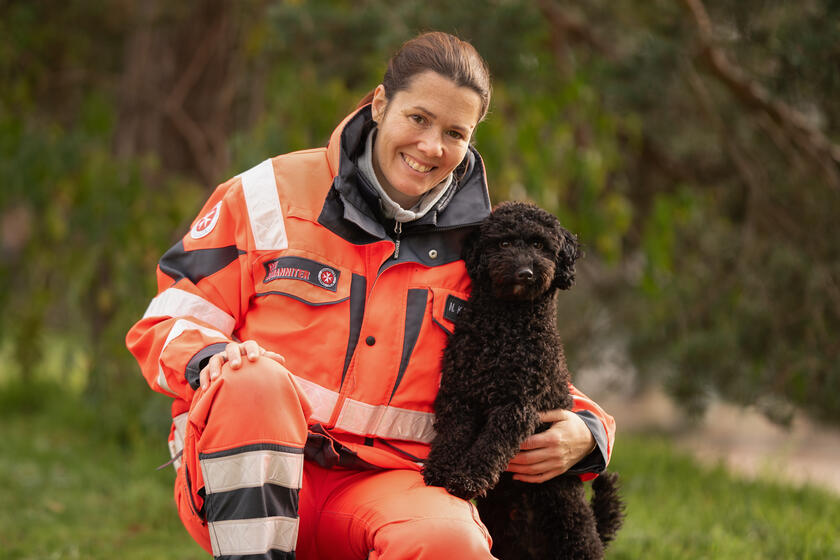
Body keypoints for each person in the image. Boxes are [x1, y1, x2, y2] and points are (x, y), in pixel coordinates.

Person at [126, 31, 615, 560]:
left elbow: (528, 363)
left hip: (384, 487)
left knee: (452, 542)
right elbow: (166, 323)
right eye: (418, 118)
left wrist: (589, 433)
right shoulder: (271, 192)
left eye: (455, 132)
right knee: (252, 380)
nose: (432, 146)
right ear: (380, 104)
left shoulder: (481, 245)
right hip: (251, 477)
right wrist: (216, 358)